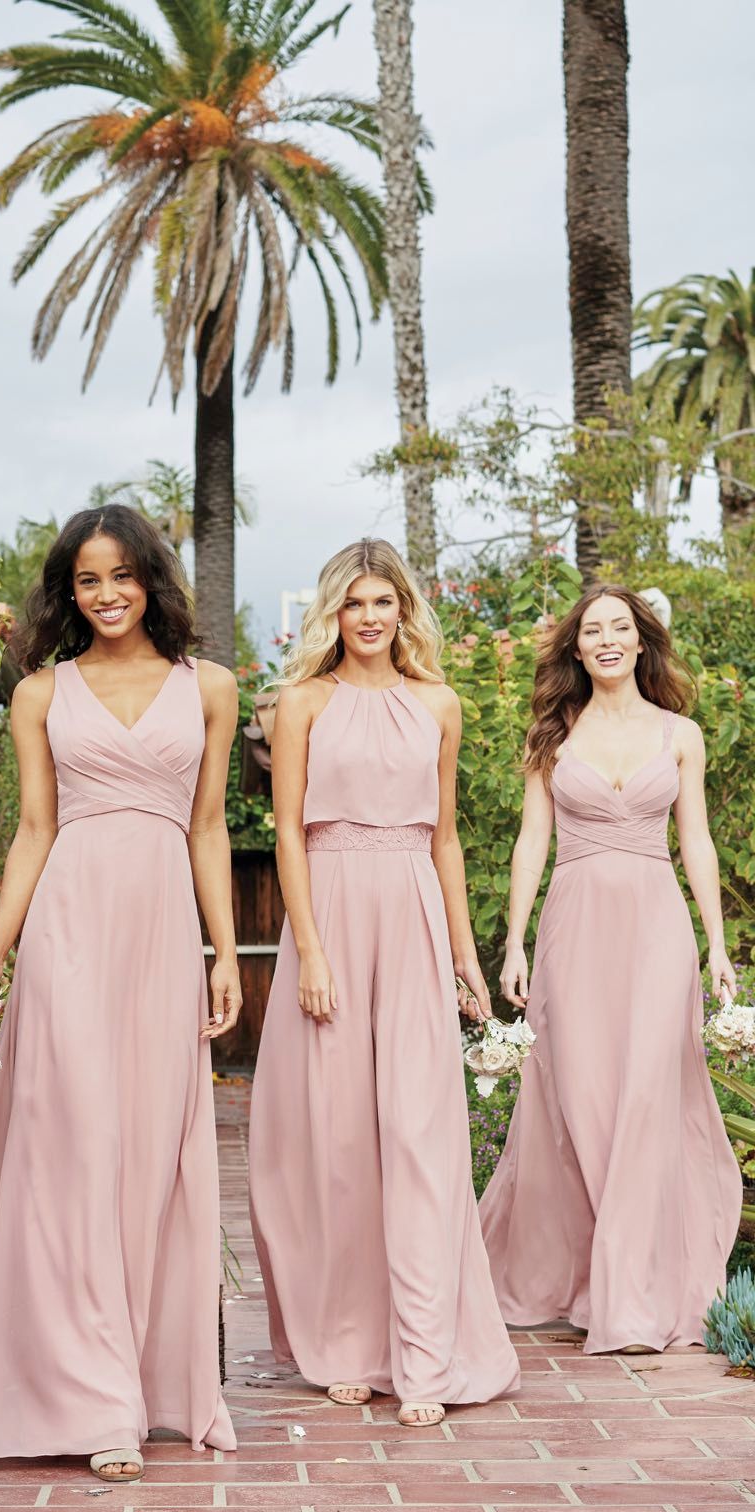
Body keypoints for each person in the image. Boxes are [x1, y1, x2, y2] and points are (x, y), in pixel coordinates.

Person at [0, 505, 239, 1481]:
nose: (106, 595)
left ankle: (140, 1381)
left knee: (147, 1153)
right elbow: (34, 829)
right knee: (74, 1146)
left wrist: (226, 952)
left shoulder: (210, 689)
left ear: (153, 578)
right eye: (86, 581)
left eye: (121, 576)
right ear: (67, 592)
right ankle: (94, 1395)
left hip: (161, 932)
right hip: (69, 925)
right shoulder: (39, 694)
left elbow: (204, 830)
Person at [248, 537, 520, 1428]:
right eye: (354, 603)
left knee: (418, 1132)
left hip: (411, 913)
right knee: (334, 1142)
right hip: (328, 910)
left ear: (405, 609)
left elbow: (444, 838)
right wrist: (312, 951)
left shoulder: (439, 705)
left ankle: (426, 1349)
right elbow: (287, 832)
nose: (369, 618)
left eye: (384, 602)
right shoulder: (301, 704)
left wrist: (464, 959)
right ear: (333, 612)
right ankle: (346, 1343)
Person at [479, 583, 741, 1354]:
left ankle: (631, 1297)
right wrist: (516, 940)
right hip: (575, 928)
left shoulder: (682, 734)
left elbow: (696, 841)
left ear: (641, 639)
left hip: (658, 929)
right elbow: (533, 841)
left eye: (619, 627)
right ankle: (595, 1274)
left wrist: (717, 943)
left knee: (646, 1099)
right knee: (587, 1102)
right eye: (592, 630)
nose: (606, 640)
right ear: (576, 648)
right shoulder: (551, 736)